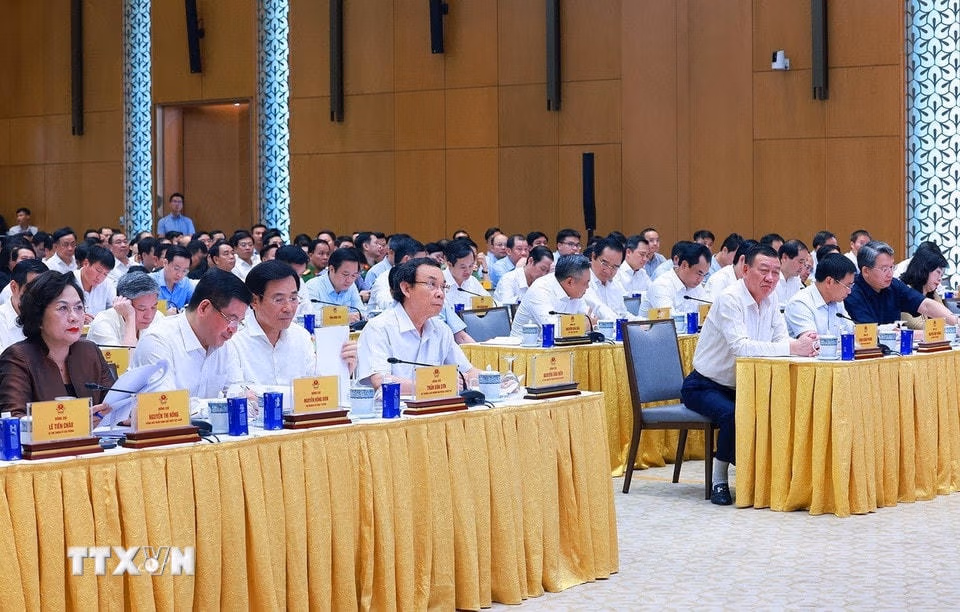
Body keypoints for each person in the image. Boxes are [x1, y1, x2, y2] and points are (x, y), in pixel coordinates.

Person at [681, 245, 819, 506]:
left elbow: (780, 340)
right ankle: (719, 480)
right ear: (745, 269)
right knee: (734, 414)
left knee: (783, 407)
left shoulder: (771, 298)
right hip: (705, 385)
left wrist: (803, 343)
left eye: (775, 272)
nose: (770, 278)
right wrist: (792, 347)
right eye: (764, 270)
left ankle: (774, 478)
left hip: (748, 384)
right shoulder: (729, 299)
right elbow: (741, 348)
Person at [0, 271, 115, 422]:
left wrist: (125, 415)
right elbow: (13, 421)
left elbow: (113, 403)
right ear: (38, 317)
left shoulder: (89, 351)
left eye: (79, 307)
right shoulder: (17, 358)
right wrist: (74, 422)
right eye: (62, 308)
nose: (74, 317)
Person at [356, 257, 479, 394]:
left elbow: (468, 371)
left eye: (443, 287)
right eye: (431, 284)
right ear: (406, 289)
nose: (440, 294)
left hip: (432, 405)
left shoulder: (441, 329)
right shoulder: (379, 328)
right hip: (391, 406)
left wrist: (493, 378)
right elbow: (380, 381)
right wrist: (436, 385)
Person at [230, 261, 357, 386]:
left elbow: (317, 385)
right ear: (254, 301)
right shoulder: (234, 341)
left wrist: (343, 370)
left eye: (293, 298)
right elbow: (235, 392)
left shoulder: (301, 336)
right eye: (279, 299)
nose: (289, 308)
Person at [132, 268, 251, 398]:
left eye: (239, 322)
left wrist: (245, 397)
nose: (233, 329)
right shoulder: (157, 342)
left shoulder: (224, 345)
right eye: (231, 320)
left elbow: (237, 391)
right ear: (204, 308)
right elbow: (165, 403)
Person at [844, 240, 958, 326]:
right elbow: (868, 332)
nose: (890, 274)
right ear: (866, 271)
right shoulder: (851, 292)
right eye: (884, 269)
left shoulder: (894, 285)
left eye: (891, 267)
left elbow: (926, 305)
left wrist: (956, 322)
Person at [510, 254, 593, 336]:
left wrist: (585, 324)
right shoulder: (540, 289)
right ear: (570, 282)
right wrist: (583, 325)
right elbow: (553, 330)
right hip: (524, 343)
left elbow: (590, 319)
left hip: (563, 343)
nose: (588, 287)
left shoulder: (575, 292)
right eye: (586, 283)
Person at [783, 253, 857, 338]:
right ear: (829, 281)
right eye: (847, 286)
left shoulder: (837, 301)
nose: (849, 291)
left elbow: (852, 332)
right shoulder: (799, 304)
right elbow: (812, 343)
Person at [86, 271, 163, 348]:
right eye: (142, 309)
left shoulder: (158, 317)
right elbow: (126, 355)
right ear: (123, 302)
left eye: (153, 307)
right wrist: (130, 318)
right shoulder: (104, 323)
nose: (149, 316)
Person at [638, 242, 711, 317]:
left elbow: (708, 310)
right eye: (699, 274)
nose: (701, 279)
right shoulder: (661, 285)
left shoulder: (696, 286)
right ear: (684, 265)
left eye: (704, 275)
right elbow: (671, 319)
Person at [304, 247, 365, 322]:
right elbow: (312, 316)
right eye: (345, 274)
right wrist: (343, 317)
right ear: (331, 269)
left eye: (354, 275)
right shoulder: (313, 286)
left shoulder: (351, 286)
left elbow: (361, 311)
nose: (349, 280)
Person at [0, 259, 47, 352]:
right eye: (33, 290)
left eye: (44, 290)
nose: (39, 296)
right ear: (14, 287)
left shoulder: (50, 316)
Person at [898, 245, 950, 330]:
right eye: (938, 272)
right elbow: (917, 326)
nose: (940, 279)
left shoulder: (933, 294)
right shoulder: (905, 291)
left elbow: (947, 320)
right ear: (925, 269)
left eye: (942, 275)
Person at [584, 237, 629, 319]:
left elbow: (623, 314)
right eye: (604, 264)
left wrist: (642, 322)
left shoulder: (615, 283)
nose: (608, 271)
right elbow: (599, 308)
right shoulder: (583, 280)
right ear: (593, 256)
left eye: (614, 267)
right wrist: (620, 321)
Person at [443, 239, 491, 310]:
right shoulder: (439, 283)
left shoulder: (473, 281)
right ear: (449, 264)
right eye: (463, 267)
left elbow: (489, 303)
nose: (468, 271)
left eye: (471, 266)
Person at [73, 245, 117, 320]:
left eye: (105, 274)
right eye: (98, 270)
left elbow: (115, 310)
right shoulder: (70, 281)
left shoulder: (107, 284)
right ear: (86, 263)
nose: (100, 277)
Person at [150, 245, 194, 312]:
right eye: (176, 269)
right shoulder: (150, 281)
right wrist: (165, 313)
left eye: (184, 271)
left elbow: (195, 307)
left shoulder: (186, 283)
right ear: (165, 263)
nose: (180, 275)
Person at [774, 240, 811, 305]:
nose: (802, 266)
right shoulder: (771, 278)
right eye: (800, 262)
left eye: (804, 263)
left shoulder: (796, 279)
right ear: (785, 257)